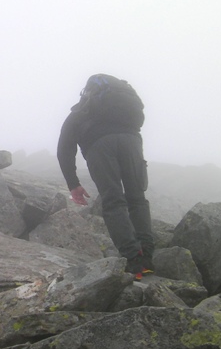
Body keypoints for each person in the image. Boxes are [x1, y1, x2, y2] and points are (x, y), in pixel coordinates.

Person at [57, 74, 154, 280]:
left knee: (113, 201)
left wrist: (73, 184)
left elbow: (64, 150)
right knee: (137, 199)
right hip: (131, 142)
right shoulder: (122, 108)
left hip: (99, 148)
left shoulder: (79, 112)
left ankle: (133, 260)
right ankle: (147, 257)